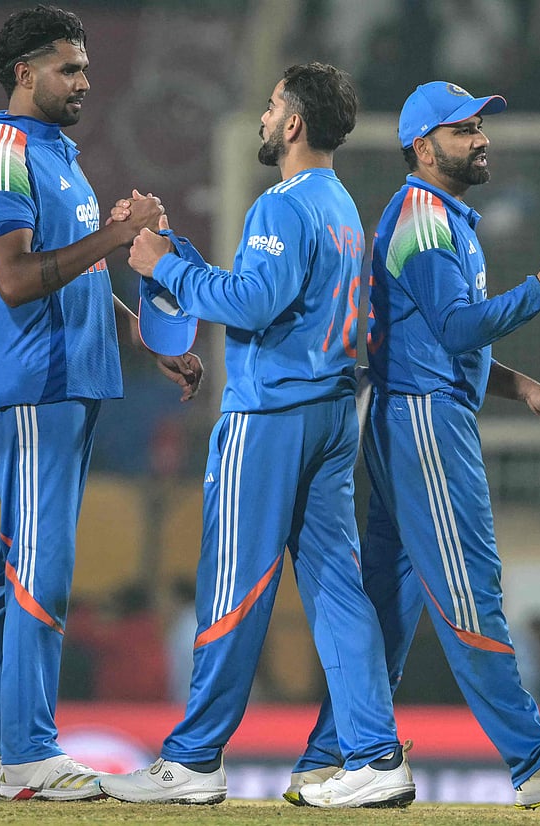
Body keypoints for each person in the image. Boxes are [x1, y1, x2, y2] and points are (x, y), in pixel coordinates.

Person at [284, 80, 540, 811]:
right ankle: (535, 759)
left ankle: (329, 758)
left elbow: (435, 336)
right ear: (422, 147)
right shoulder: (423, 220)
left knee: (387, 605)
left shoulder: (435, 217)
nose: (481, 139)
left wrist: (521, 387)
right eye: (463, 129)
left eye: (479, 126)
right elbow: (455, 329)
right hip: (426, 427)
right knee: (471, 594)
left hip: (410, 415)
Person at [97, 63, 411, 809]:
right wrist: (174, 251)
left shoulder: (282, 203)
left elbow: (253, 303)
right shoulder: (338, 204)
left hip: (269, 417)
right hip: (331, 413)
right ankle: (376, 756)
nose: (265, 118)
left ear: (293, 123)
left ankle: (194, 759)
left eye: (272, 107)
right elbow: (272, 292)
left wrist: (166, 266)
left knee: (233, 588)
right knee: (337, 591)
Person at [0, 4, 202, 803]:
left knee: (14, 569)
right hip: (34, 388)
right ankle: (31, 753)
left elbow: (73, 274)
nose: (84, 81)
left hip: (71, 385)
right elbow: (15, 278)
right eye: (68, 68)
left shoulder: (56, 155)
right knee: (41, 569)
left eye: (84, 67)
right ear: (24, 73)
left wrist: (144, 335)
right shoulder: (2, 159)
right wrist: (117, 237)